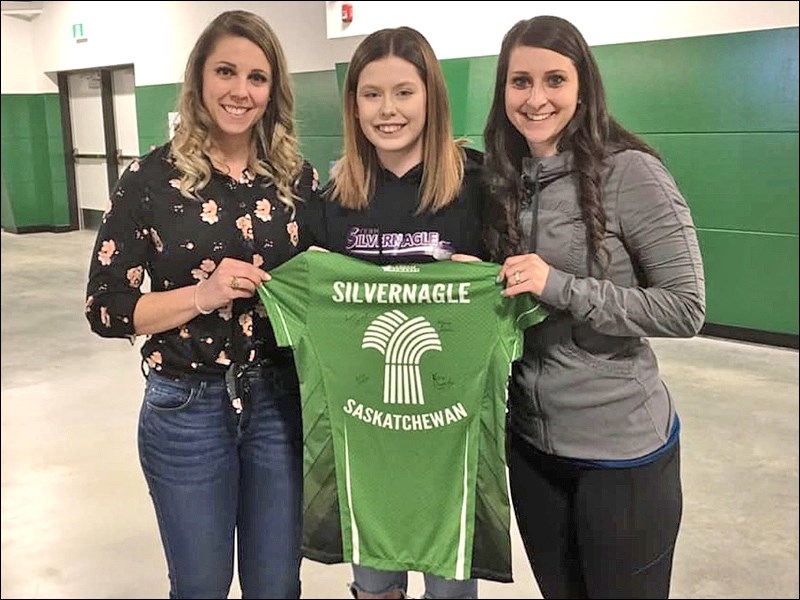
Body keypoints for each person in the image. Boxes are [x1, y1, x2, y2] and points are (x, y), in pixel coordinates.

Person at [84, 10, 319, 598]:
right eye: (226, 72)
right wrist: (201, 295)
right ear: (199, 80)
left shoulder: (296, 180)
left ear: (274, 89)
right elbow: (106, 306)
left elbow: (336, 279)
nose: (241, 91)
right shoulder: (149, 179)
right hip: (186, 407)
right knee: (201, 585)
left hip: (279, 404)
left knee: (276, 585)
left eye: (257, 77)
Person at [479, 15, 706, 599]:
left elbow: (684, 307)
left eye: (554, 79)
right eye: (519, 81)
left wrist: (558, 285)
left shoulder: (631, 172)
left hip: (622, 454)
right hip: (532, 448)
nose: (535, 98)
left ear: (583, 86)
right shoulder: (504, 179)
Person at [303, 26, 489, 600]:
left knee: (450, 585)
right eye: (371, 94)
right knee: (376, 580)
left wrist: (482, 275)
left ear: (431, 96)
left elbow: (517, 289)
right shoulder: (334, 199)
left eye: (404, 92)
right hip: (367, 428)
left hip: (452, 433)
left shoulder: (481, 184)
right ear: (353, 105)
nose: (387, 110)